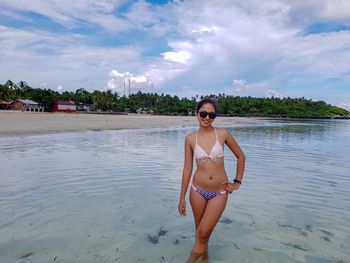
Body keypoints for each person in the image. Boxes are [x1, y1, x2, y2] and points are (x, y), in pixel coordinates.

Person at [178, 98, 246, 262]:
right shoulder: (190, 138)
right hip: (197, 191)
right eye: (203, 113)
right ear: (196, 114)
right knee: (201, 234)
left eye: (211, 114)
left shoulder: (222, 134)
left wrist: (237, 182)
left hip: (219, 192)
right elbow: (187, 169)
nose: (207, 118)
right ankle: (205, 260)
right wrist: (182, 197)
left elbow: (241, 156)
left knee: (202, 234)